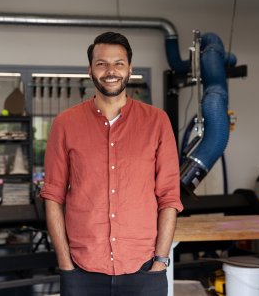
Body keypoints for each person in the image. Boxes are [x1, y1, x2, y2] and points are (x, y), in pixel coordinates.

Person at [40, 31, 183, 296]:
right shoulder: (65, 124)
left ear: (130, 69)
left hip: (143, 270)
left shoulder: (157, 122)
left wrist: (160, 262)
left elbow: (169, 197)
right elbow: (53, 197)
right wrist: (65, 265)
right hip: (82, 271)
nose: (111, 71)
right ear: (90, 70)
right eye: (101, 63)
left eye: (119, 63)